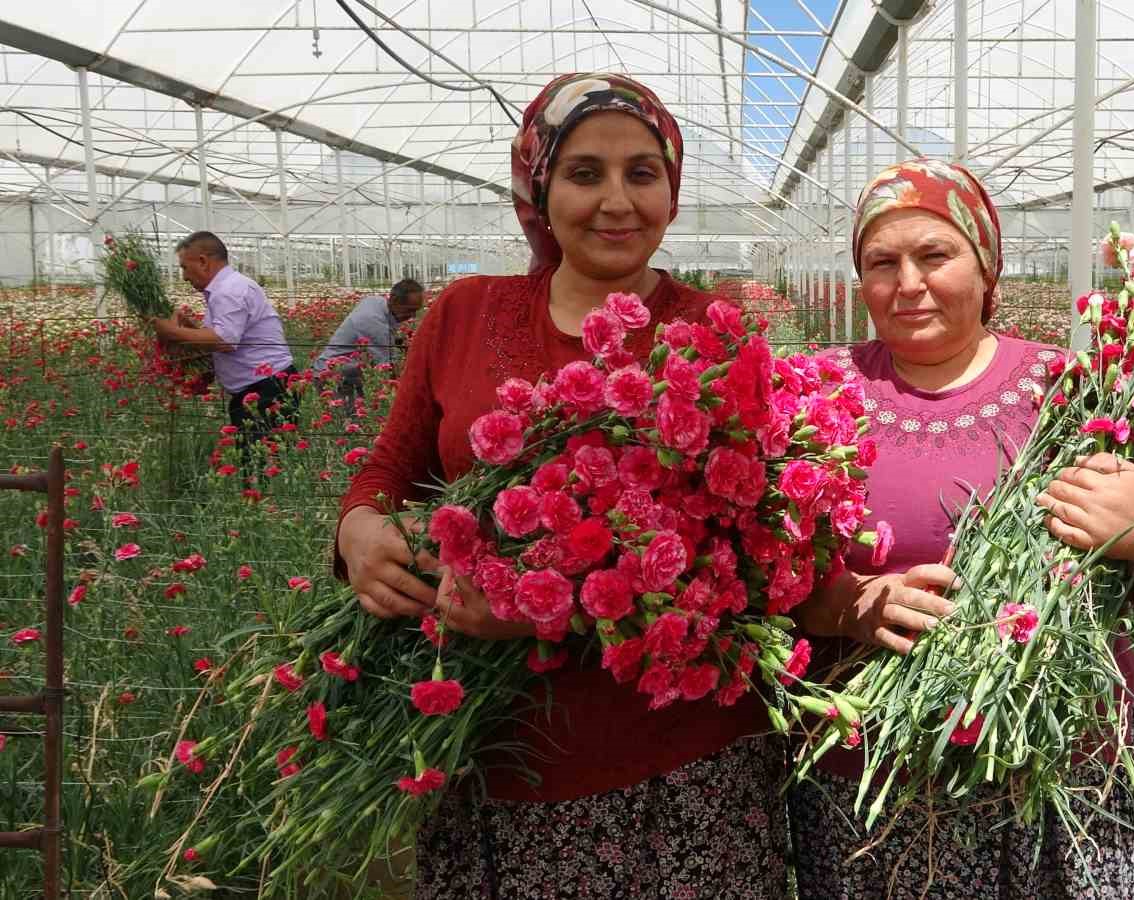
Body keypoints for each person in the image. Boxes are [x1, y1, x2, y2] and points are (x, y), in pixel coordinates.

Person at [334, 74, 786, 900]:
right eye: (585, 173)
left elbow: (750, 555)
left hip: (678, 759)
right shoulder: (465, 313)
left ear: (672, 193)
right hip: (499, 757)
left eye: (642, 173)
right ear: (539, 188)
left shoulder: (715, 336)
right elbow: (390, 466)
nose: (617, 201)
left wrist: (554, 610)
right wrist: (359, 527)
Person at [789, 158, 1134, 899]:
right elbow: (765, 570)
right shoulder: (816, 393)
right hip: (872, 780)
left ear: (987, 269)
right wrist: (851, 604)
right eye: (882, 263)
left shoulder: (1078, 388)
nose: (908, 283)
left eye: (935, 255)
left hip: (1058, 769)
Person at [149, 231, 299, 452]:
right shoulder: (228, 287)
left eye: (184, 267)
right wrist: (189, 327)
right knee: (266, 463)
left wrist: (170, 332)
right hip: (264, 386)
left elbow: (224, 340)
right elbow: (223, 335)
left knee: (262, 467)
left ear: (203, 261)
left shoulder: (228, 290)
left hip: (266, 390)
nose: (184, 276)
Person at [313, 278, 427, 406]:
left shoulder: (377, 301)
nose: (413, 316)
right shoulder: (373, 321)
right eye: (410, 310)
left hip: (350, 373)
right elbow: (387, 368)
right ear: (394, 300)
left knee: (362, 417)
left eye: (416, 310)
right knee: (346, 420)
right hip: (331, 377)